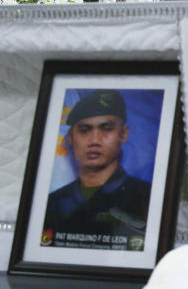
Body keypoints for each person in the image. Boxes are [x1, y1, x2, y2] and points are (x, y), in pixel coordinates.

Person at [43, 90, 151, 250]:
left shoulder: (147, 198)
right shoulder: (49, 204)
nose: (94, 140)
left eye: (106, 128)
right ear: (71, 137)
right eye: (84, 130)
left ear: (123, 134)